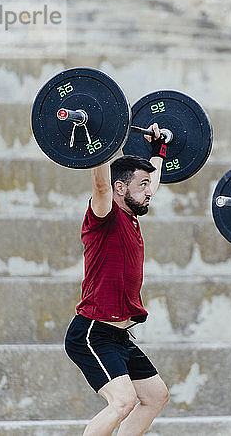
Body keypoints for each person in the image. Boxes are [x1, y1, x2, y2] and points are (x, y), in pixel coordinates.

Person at [64, 123, 169, 436]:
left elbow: (154, 180)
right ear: (121, 189)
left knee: (155, 396)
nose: (150, 190)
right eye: (143, 185)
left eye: (150, 184)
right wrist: (97, 143)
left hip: (120, 335)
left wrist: (159, 147)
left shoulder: (133, 215)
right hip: (93, 332)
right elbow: (101, 188)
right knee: (122, 402)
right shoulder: (104, 216)